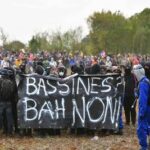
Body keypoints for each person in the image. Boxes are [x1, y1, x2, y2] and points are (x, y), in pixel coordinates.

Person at [132, 64, 150, 150]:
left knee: (142, 129)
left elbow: (143, 99)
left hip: (145, 109)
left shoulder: (143, 83)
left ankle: (144, 147)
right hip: (148, 108)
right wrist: (136, 93)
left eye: (135, 74)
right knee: (148, 127)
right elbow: (141, 95)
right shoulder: (145, 81)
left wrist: (142, 112)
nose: (134, 76)